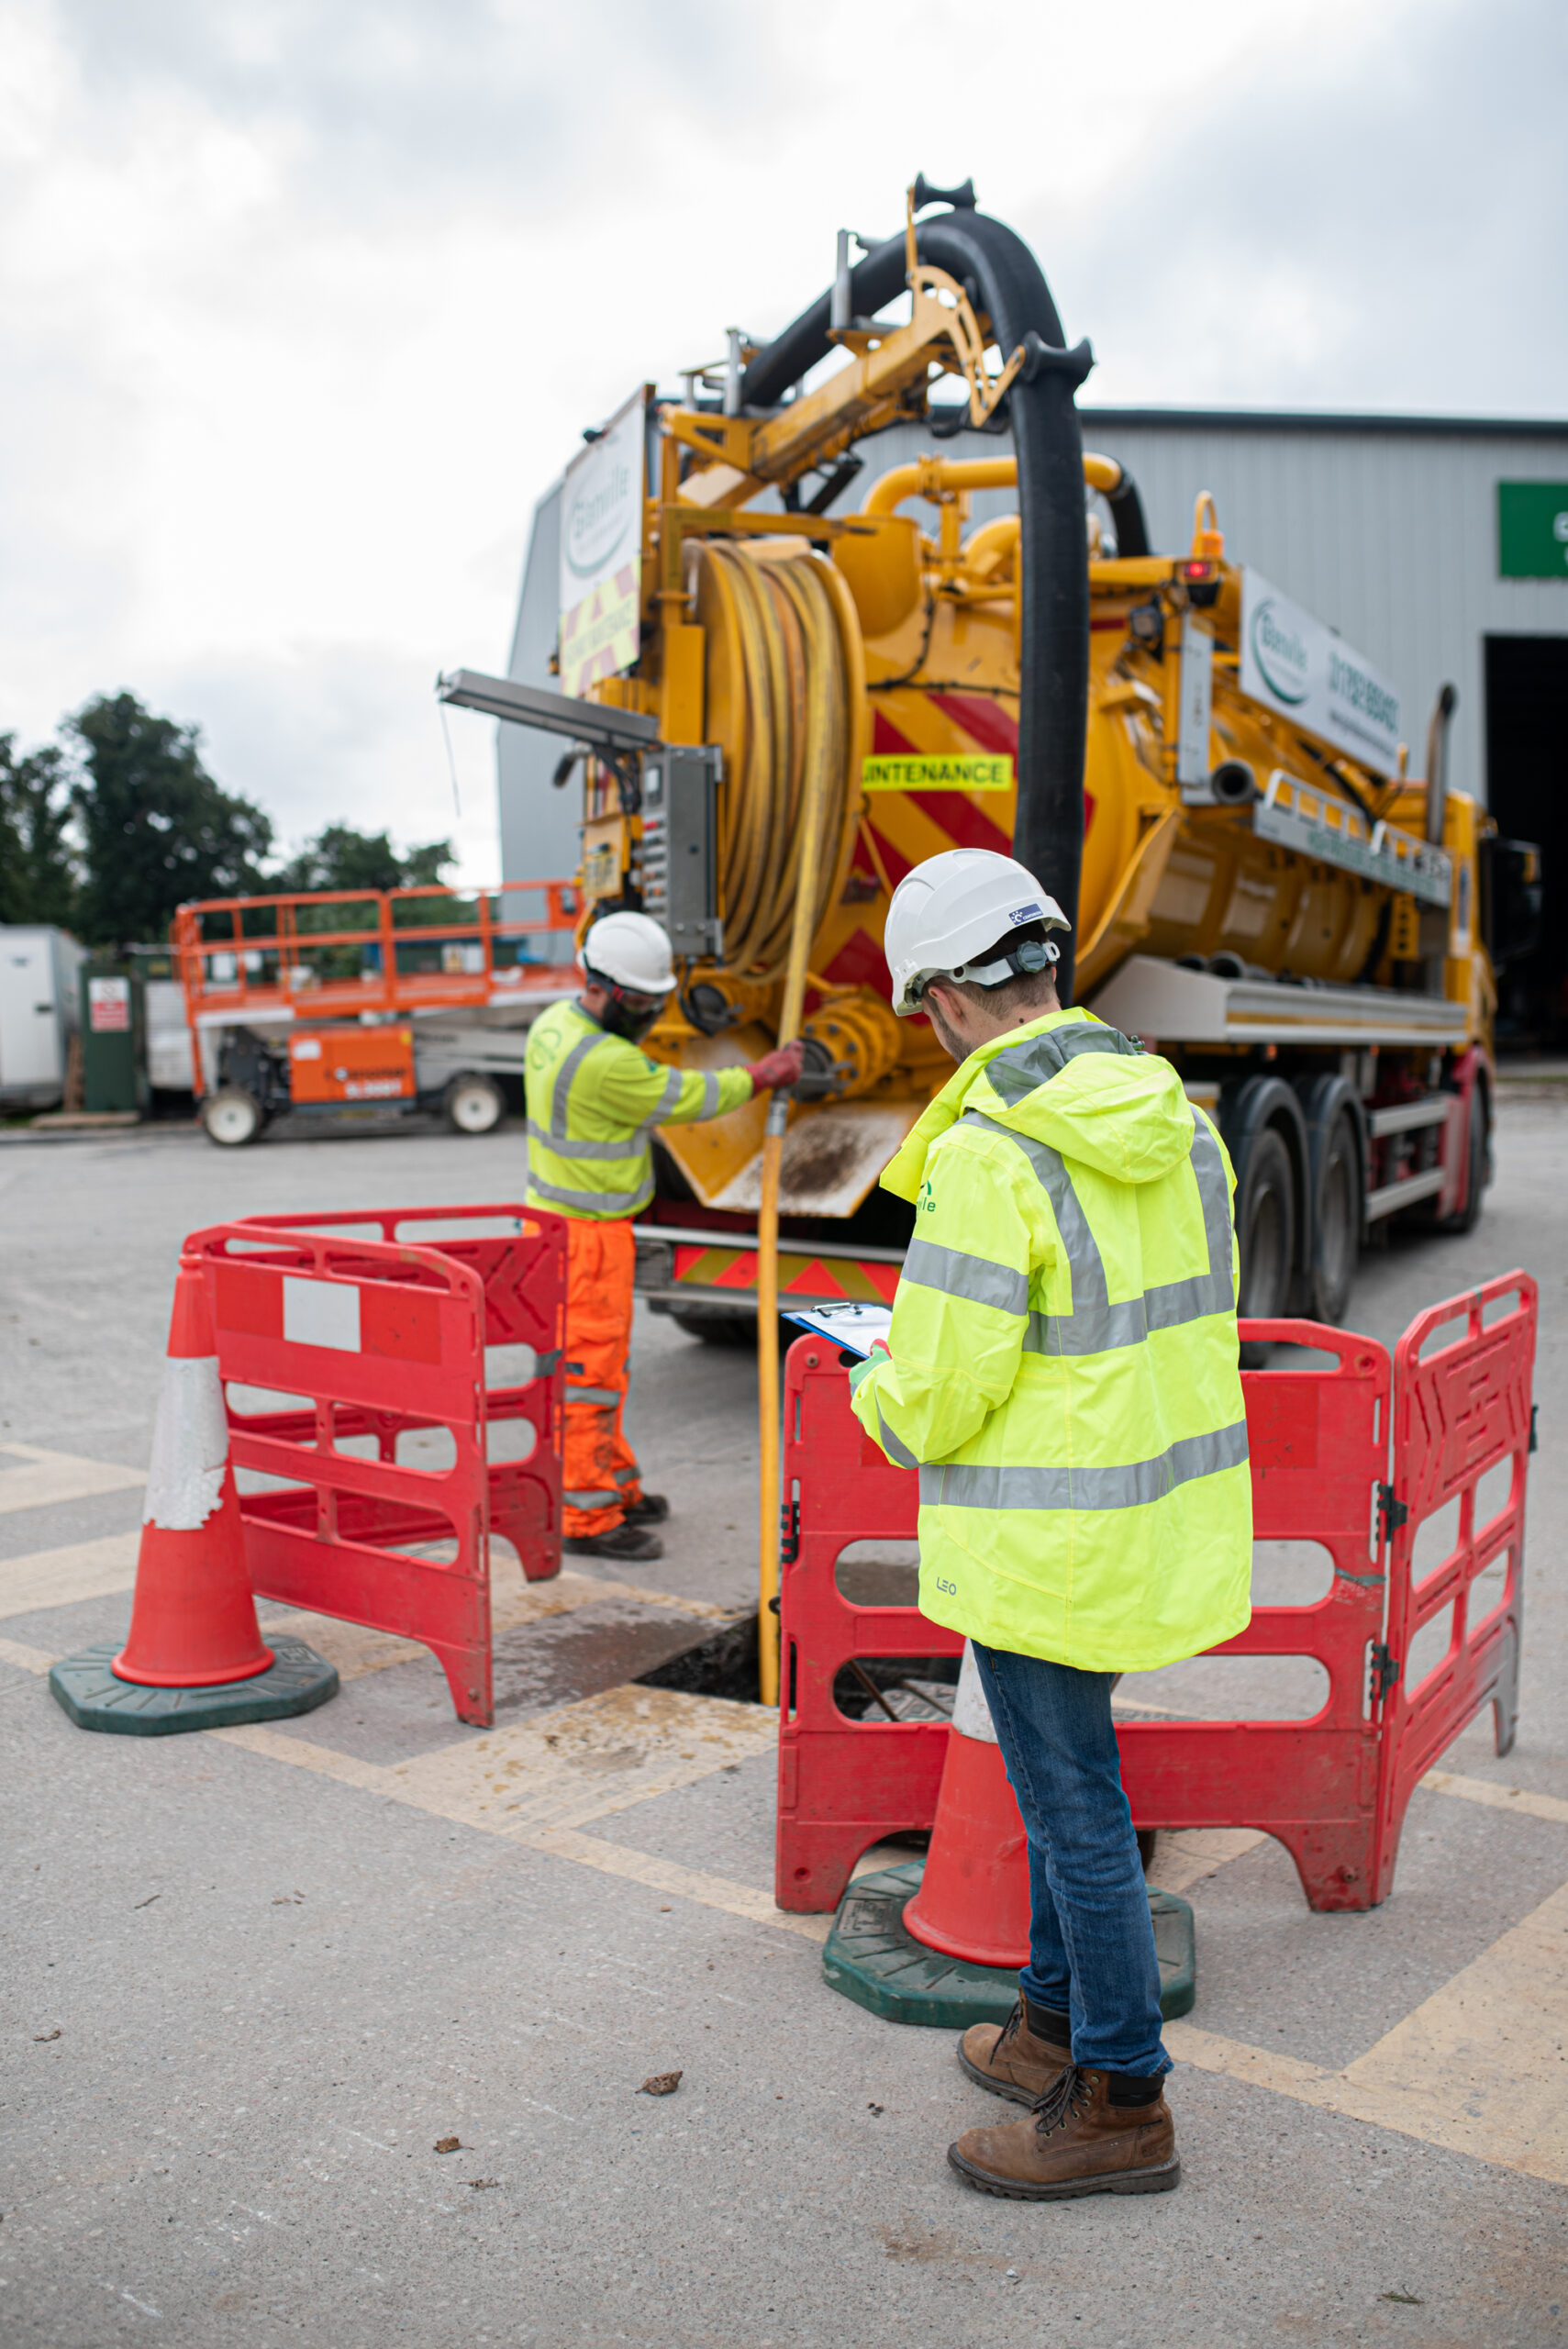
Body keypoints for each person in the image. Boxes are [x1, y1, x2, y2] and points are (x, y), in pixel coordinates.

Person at [848, 846, 1251, 2200]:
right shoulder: (1176, 1117)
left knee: (1074, 1810)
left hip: (1041, 1544)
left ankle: (1120, 2100)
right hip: (1145, 1522)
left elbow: (936, 1394)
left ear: (944, 1000)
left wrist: (868, 1381)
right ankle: (1047, 2027)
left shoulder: (986, 1153)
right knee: (1065, 1786)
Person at [526, 911, 803, 1564]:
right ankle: (584, 1516)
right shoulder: (606, 1063)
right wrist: (764, 1074)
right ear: (605, 989)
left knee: (596, 1370)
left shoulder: (554, 1023)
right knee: (589, 1374)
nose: (650, 1016)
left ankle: (613, 1482)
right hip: (588, 1238)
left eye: (655, 1004)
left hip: (558, 1225)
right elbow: (688, 1096)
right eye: (641, 1004)